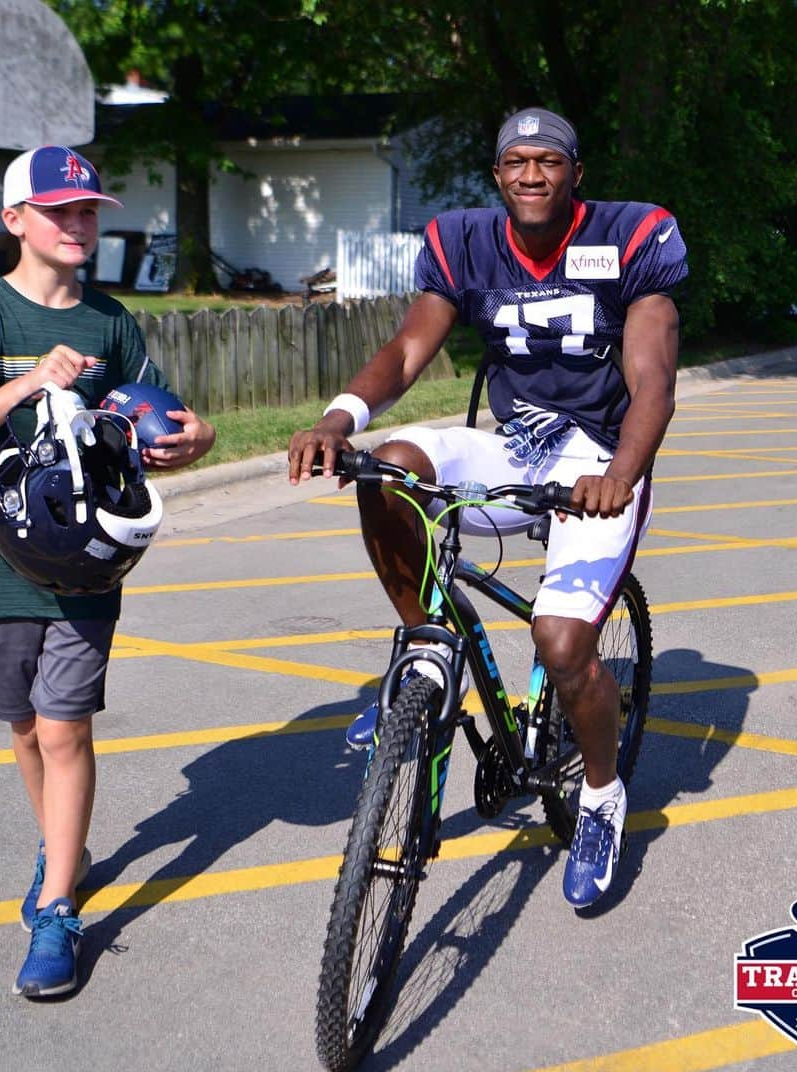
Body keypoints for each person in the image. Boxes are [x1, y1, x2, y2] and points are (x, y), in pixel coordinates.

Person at [288, 107, 687, 910]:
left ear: (577, 173)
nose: (531, 174)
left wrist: (622, 473)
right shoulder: (465, 241)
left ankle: (603, 799)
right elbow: (406, 350)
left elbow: (654, 381)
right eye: (517, 161)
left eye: (548, 160)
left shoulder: (632, 234)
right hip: (516, 444)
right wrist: (339, 419)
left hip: (600, 458)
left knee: (563, 643)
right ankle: (426, 655)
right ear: (497, 174)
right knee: (391, 470)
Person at [0, 145, 215, 997]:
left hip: (86, 559)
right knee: (22, 722)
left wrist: (190, 440)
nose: (80, 224)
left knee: (64, 726)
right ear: (16, 220)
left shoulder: (110, 323)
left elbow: (164, 416)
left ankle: (58, 908)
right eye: (62, 211)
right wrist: (25, 389)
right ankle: (63, 848)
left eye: (90, 210)